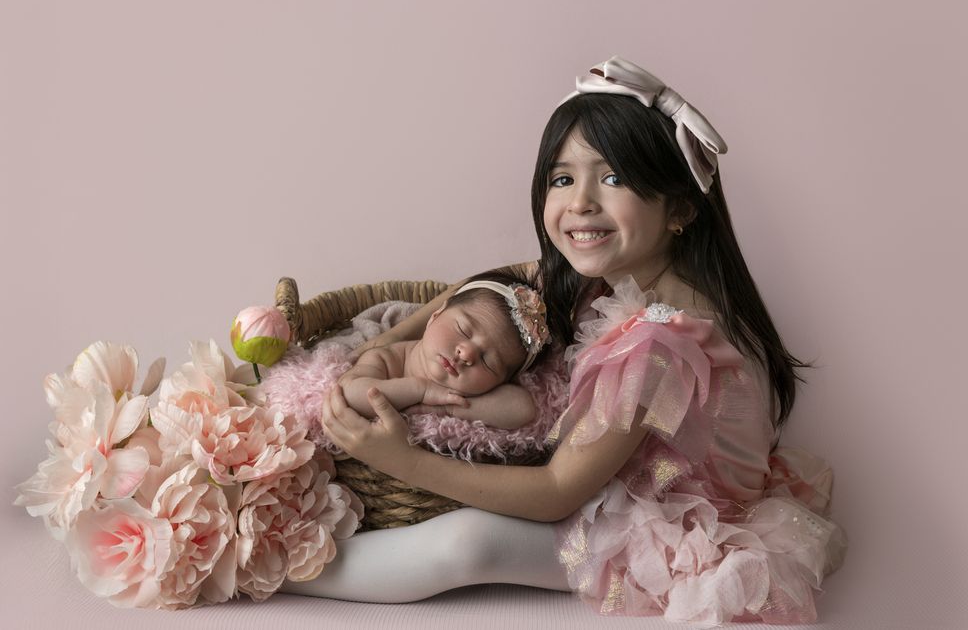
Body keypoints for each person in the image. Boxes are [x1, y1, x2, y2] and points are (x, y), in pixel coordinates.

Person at [281, 56, 846, 625]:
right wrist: (385, 342)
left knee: (469, 543)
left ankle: (273, 566)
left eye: (613, 178)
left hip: (673, 516)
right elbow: (478, 286)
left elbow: (557, 491)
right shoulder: (607, 268)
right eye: (562, 178)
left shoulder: (659, 342)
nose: (580, 202)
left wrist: (398, 459)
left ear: (678, 209)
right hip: (625, 472)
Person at [337, 270, 550, 430]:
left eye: (487, 361)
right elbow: (350, 394)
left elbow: (523, 409)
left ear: (501, 381)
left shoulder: (465, 395)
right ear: (435, 314)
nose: (466, 354)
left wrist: (447, 408)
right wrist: (421, 390)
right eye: (464, 331)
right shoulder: (386, 358)